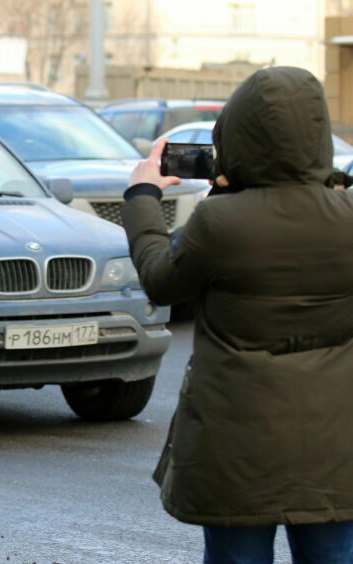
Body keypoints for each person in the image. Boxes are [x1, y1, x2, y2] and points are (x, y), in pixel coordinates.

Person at [121, 66, 353, 563]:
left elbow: (162, 281)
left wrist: (142, 197)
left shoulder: (219, 222)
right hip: (337, 440)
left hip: (236, 443)